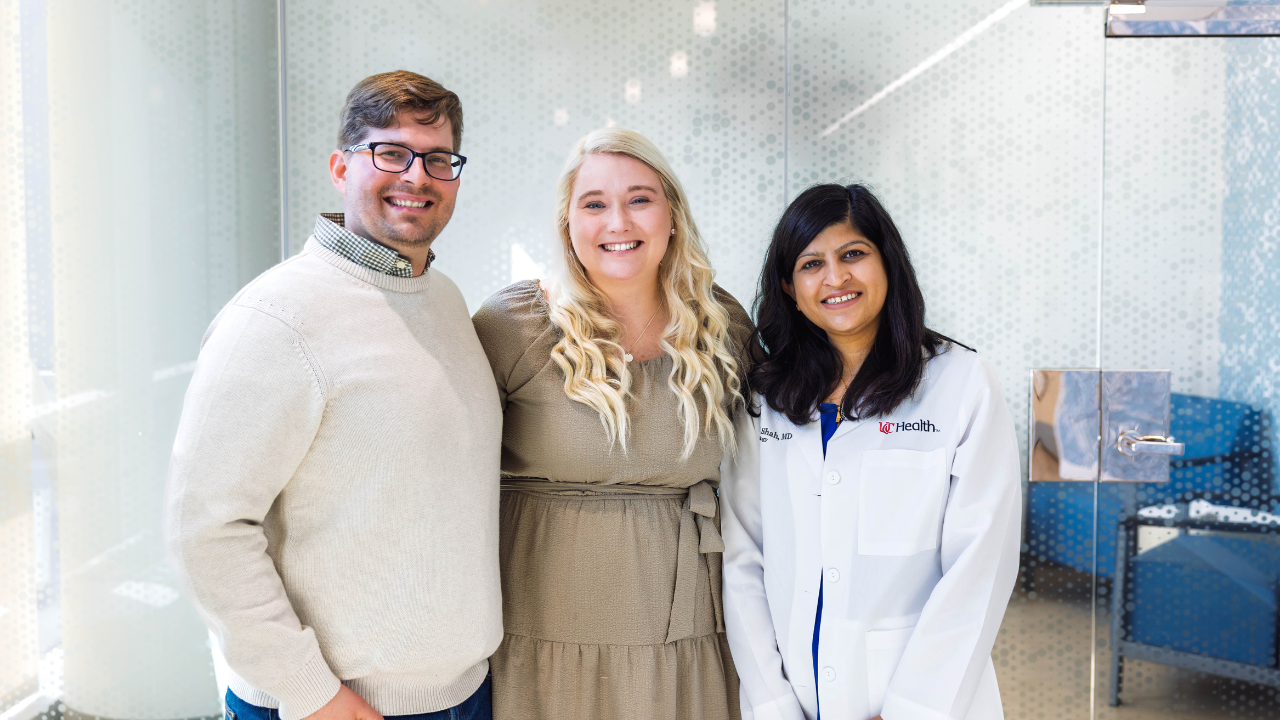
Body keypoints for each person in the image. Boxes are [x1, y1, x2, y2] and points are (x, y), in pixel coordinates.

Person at [164, 71, 501, 720]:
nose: (416, 175)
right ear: (339, 167)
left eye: (437, 158)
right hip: (330, 707)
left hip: (461, 694)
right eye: (390, 152)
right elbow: (204, 530)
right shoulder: (276, 317)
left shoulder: (446, 302)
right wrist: (311, 696)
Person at [471, 128, 749, 720]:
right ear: (568, 223)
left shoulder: (721, 325)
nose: (617, 222)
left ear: (671, 214)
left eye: (640, 199)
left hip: (690, 632)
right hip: (537, 629)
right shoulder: (514, 325)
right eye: (594, 204)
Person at [721, 183, 1021, 720]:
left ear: (888, 262)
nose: (835, 278)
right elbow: (743, 558)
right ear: (789, 286)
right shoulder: (766, 396)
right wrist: (773, 703)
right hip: (794, 698)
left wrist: (911, 709)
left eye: (853, 254)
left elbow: (981, 567)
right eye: (811, 264)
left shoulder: (960, 383)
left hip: (925, 698)